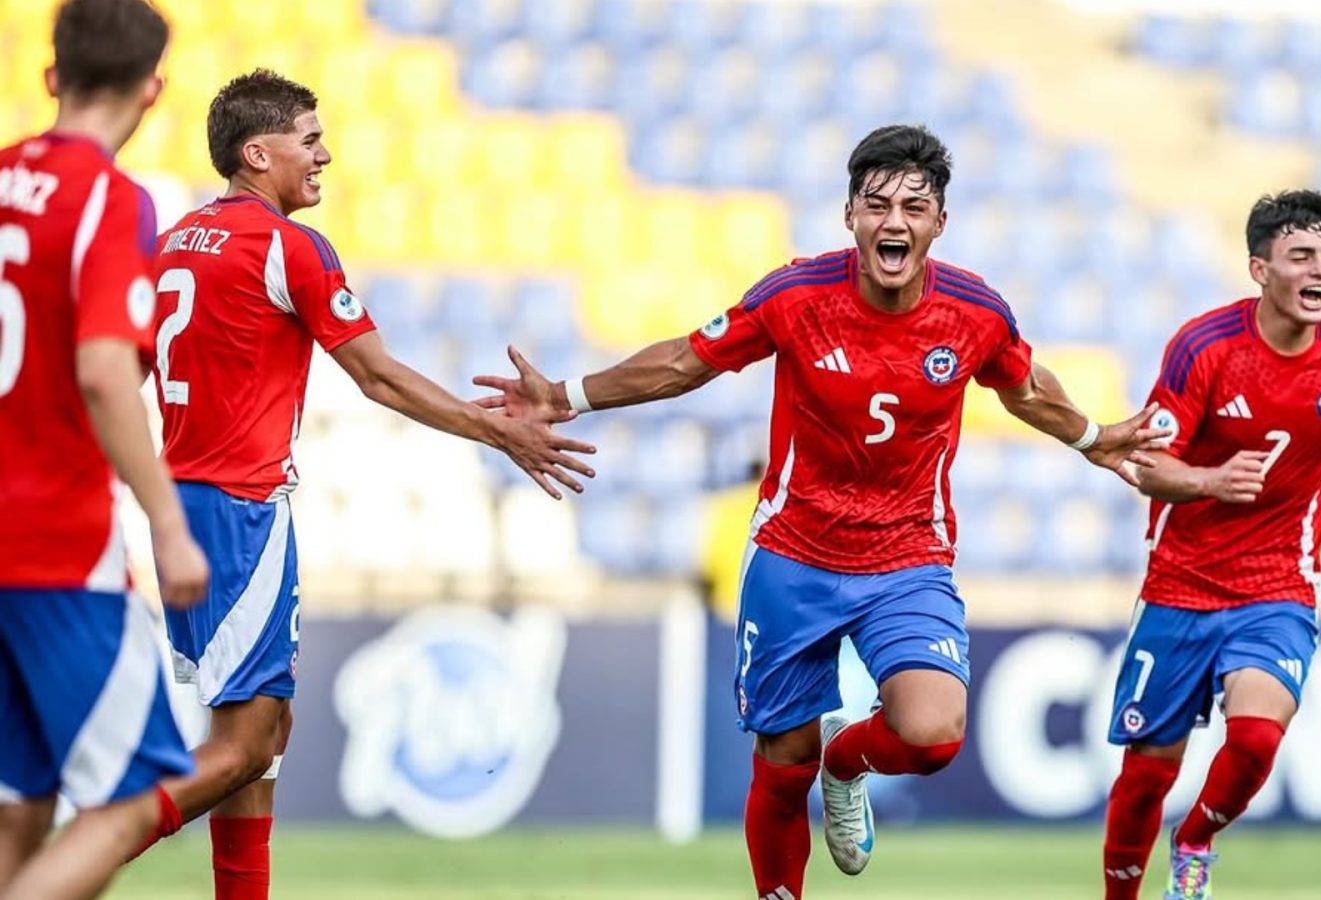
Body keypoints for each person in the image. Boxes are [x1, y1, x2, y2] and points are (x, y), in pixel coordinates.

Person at [474, 124, 1167, 900]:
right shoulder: (798, 295)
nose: (893, 222)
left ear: (940, 223)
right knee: (780, 759)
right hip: (794, 554)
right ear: (849, 216)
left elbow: (1024, 385)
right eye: (876, 204)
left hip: (909, 557)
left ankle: (849, 764)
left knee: (932, 733)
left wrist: (1095, 437)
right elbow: (683, 363)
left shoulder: (974, 312)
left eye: (914, 206)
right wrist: (566, 396)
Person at [125, 70, 596, 897]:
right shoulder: (288, 246)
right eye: (309, 140)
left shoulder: (174, 240)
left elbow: (130, 365)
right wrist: (494, 428)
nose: (325, 155)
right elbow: (377, 377)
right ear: (256, 152)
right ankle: (72, 845)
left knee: (264, 736)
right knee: (244, 742)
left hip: (184, 505)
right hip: (240, 514)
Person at [1100, 190, 1321, 900]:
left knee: (1258, 737)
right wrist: (1206, 479)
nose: (1319, 270)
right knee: (1146, 777)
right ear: (1260, 269)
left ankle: (1196, 839)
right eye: (1302, 256)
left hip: (1277, 582)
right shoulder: (1204, 348)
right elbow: (1146, 464)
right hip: (1180, 582)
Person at [0, 2, 210, 898]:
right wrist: (168, 522)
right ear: (152, 91)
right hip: (55, 544)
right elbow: (102, 370)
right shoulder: (113, 199)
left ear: (53, 77)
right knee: (134, 798)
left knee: (19, 803)